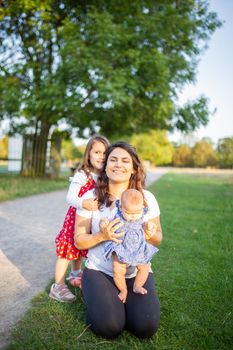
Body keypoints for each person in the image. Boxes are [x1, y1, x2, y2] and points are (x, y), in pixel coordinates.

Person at [74, 141, 162, 339]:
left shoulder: (145, 198)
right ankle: (97, 298)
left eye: (125, 161)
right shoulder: (91, 197)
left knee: (145, 326)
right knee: (111, 327)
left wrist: (150, 233)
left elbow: (158, 239)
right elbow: (79, 241)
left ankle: (121, 302)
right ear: (105, 166)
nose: (118, 164)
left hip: (134, 272)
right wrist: (101, 236)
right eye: (112, 159)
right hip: (100, 271)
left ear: (133, 168)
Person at [49, 135, 110, 303]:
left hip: (90, 220)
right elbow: (70, 197)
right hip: (76, 218)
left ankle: (75, 275)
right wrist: (84, 203)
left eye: (105, 153)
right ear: (88, 154)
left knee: (81, 247)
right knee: (67, 250)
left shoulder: (105, 176)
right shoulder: (83, 175)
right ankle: (58, 286)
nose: (101, 157)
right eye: (97, 152)